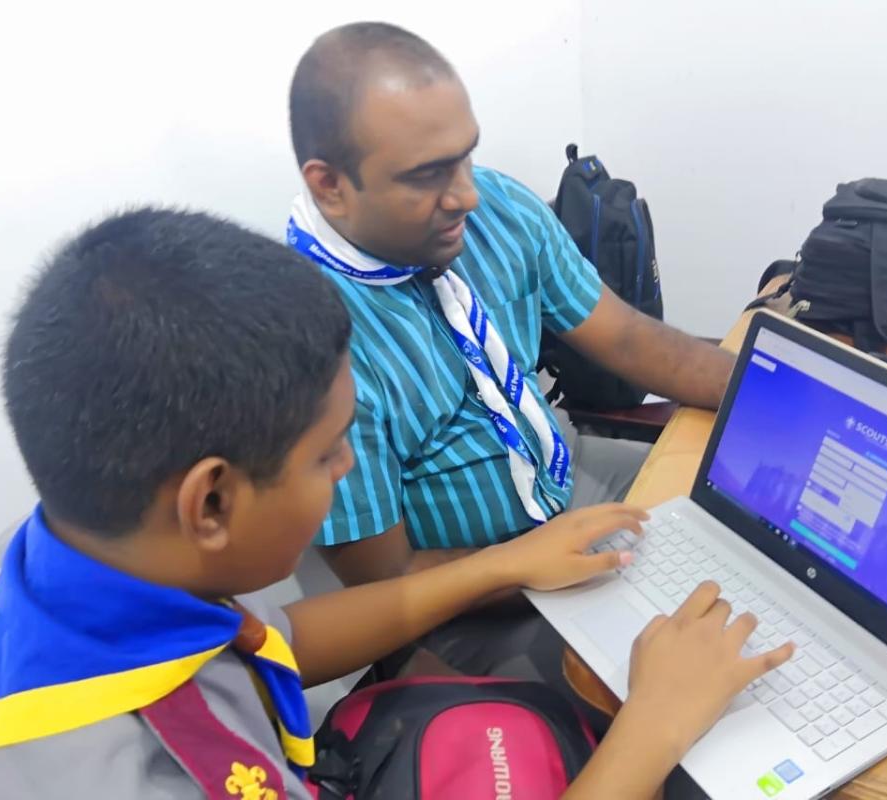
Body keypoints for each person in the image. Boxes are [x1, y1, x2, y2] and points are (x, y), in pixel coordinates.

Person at [0, 208, 791, 799]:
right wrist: (658, 722)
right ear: (210, 501)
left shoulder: (55, 556)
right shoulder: (155, 773)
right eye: (330, 452)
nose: (349, 469)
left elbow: (265, 646)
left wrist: (499, 564)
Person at [285, 21, 737, 680]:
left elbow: (632, 338)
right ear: (330, 186)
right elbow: (388, 583)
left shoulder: (492, 208)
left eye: (466, 156)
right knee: (682, 683)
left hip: (569, 480)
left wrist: (775, 400)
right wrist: (537, 567)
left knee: (772, 540)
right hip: (462, 599)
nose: (467, 193)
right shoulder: (308, 344)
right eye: (428, 175)